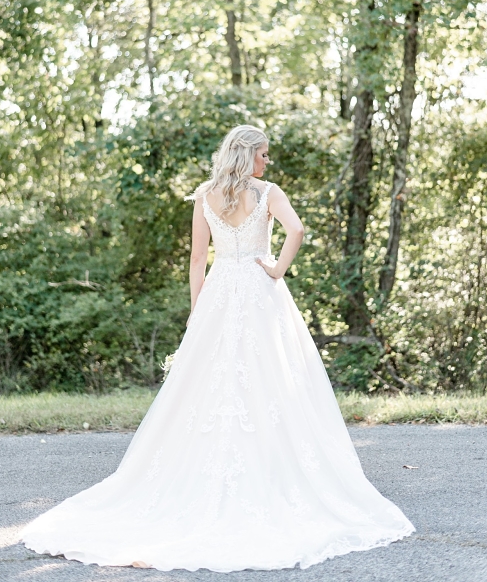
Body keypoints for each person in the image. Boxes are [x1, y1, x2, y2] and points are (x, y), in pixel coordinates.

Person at [21, 124, 414, 570]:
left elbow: (196, 259)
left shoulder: (206, 195)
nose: (269, 162)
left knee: (213, 383)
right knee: (272, 379)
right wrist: (277, 270)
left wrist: (197, 313)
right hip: (260, 292)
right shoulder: (268, 193)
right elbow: (297, 231)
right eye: (265, 154)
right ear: (249, 156)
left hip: (221, 292)